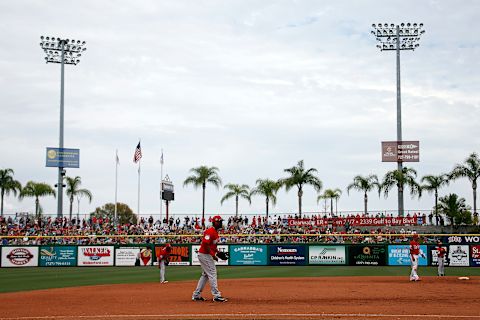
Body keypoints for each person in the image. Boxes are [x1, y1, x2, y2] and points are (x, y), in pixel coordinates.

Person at [192, 215, 228, 302]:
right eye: (219, 221)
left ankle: (196, 295)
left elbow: (212, 246)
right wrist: (213, 255)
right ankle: (216, 295)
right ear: (215, 222)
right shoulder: (209, 231)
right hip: (204, 254)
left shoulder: (215, 232)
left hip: (206, 254)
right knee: (212, 273)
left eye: (221, 221)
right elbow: (205, 244)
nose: (220, 223)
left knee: (205, 275)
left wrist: (218, 253)